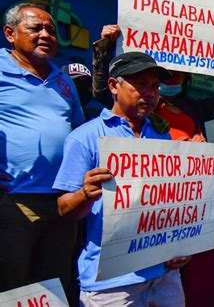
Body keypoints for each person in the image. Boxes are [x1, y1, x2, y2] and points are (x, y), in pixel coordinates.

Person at [53, 52, 190, 306]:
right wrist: (85, 194)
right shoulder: (85, 138)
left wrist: (180, 249)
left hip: (164, 276)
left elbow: (170, 203)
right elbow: (65, 209)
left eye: (155, 86)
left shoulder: (162, 137)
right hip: (112, 284)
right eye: (140, 84)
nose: (150, 93)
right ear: (114, 86)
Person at [0, 3, 84, 296]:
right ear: (10, 34)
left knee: (53, 285)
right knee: (13, 286)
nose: (47, 34)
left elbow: (76, 132)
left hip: (63, 203)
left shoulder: (63, 81)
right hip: (14, 201)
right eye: (36, 28)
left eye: (51, 29)